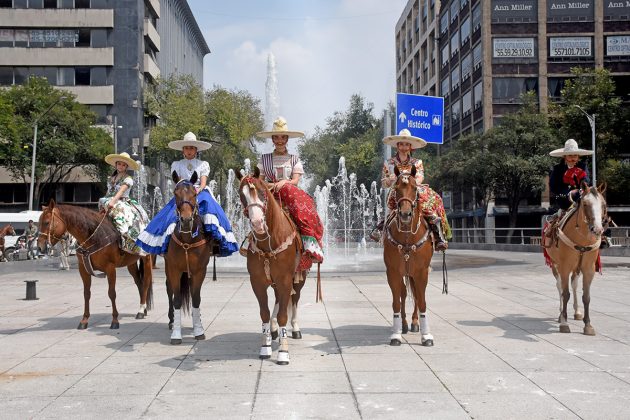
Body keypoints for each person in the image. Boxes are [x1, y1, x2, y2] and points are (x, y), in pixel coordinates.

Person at [136, 132, 238, 256]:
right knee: (169, 213)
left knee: (209, 206)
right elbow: (177, 182)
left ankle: (213, 238)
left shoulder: (202, 164)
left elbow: (203, 183)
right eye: (186, 148)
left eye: (192, 148)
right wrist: (183, 191)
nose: (189, 151)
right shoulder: (177, 164)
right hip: (184, 191)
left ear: (196, 150)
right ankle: (166, 241)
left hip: (198, 191)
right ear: (183, 150)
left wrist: (198, 189)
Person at [250, 117, 324, 270]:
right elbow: (259, 181)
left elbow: (295, 180)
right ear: (272, 139)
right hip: (270, 195)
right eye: (276, 137)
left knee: (302, 209)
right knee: (254, 211)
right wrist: (273, 185)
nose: (279, 140)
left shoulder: (294, 159)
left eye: (283, 137)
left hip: (290, 195)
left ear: (287, 139)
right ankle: (251, 245)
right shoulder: (264, 159)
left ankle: (308, 245)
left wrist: (284, 182)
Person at [370, 129, 451, 251]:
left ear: (410, 147)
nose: (404, 147)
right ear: (397, 145)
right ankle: (380, 228)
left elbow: (420, 176)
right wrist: (389, 180)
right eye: (401, 144)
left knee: (431, 200)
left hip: (413, 189)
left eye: (406, 144)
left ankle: (438, 235)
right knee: (391, 207)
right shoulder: (389, 163)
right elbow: (384, 183)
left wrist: (412, 184)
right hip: (397, 190)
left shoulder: (417, 162)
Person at [544, 138, 609, 247]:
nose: (573, 159)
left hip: (581, 197)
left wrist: (581, 190)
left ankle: (602, 235)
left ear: (578, 157)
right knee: (558, 217)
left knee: (596, 207)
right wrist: (567, 193)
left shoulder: (583, 166)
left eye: (575, 156)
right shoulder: (557, 169)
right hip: (564, 199)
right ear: (565, 157)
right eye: (570, 156)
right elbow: (553, 186)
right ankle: (552, 235)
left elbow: (586, 181)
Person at [97, 152, 149, 255]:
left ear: (126, 167)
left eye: (124, 165)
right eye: (119, 164)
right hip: (109, 201)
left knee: (122, 223)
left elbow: (120, 192)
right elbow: (109, 193)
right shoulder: (111, 178)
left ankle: (126, 243)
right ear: (116, 164)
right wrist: (105, 202)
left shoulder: (128, 179)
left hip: (122, 202)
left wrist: (111, 202)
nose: (121, 166)